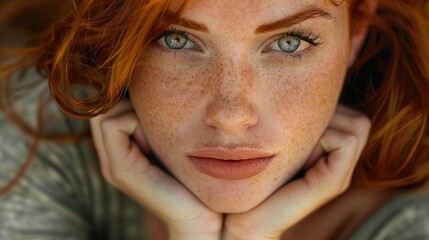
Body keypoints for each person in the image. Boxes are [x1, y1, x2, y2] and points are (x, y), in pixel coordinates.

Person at [0, 0, 428, 239]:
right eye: (177, 39)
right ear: (120, 34)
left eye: (290, 42)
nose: (230, 116)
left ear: (357, 31)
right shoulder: (38, 127)